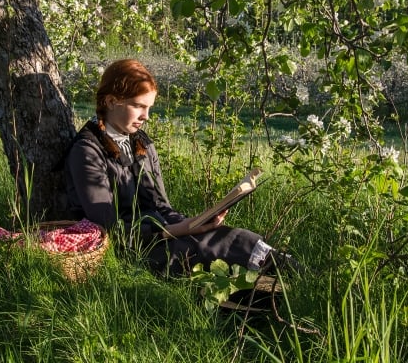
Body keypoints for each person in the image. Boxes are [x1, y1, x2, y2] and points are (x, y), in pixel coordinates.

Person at [64, 59, 292, 276]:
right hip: (126, 249)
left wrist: (197, 222)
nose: (146, 116)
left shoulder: (140, 142)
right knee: (202, 249)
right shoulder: (87, 151)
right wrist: (181, 229)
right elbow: (112, 232)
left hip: (160, 233)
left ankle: (291, 272)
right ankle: (276, 283)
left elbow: (161, 206)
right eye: (138, 106)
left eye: (149, 107)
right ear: (112, 101)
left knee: (222, 235)